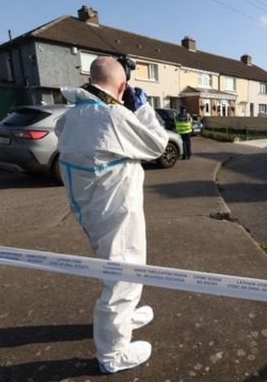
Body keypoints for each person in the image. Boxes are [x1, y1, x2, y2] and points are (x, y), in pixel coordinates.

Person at [55, 56, 168, 374]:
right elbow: (156, 145)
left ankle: (123, 319)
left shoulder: (71, 115)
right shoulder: (112, 115)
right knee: (123, 277)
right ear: (122, 87)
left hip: (91, 208)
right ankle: (112, 354)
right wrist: (143, 108)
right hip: (115, 211)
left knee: (119, 271)